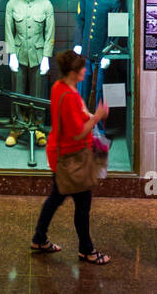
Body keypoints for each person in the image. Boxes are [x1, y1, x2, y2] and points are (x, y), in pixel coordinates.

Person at [30, 49, 110, 264]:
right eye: (82, 68)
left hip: (61, 154)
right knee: (82, 207)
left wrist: (89, 115)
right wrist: (98, 118)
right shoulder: (69, 96)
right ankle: (87, 249)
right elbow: (77, 133)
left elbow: (77, 115)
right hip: (71, 157)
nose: (85, 70)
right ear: (74, 72)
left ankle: (39, 238)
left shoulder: (61, 87)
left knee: (56, 198)